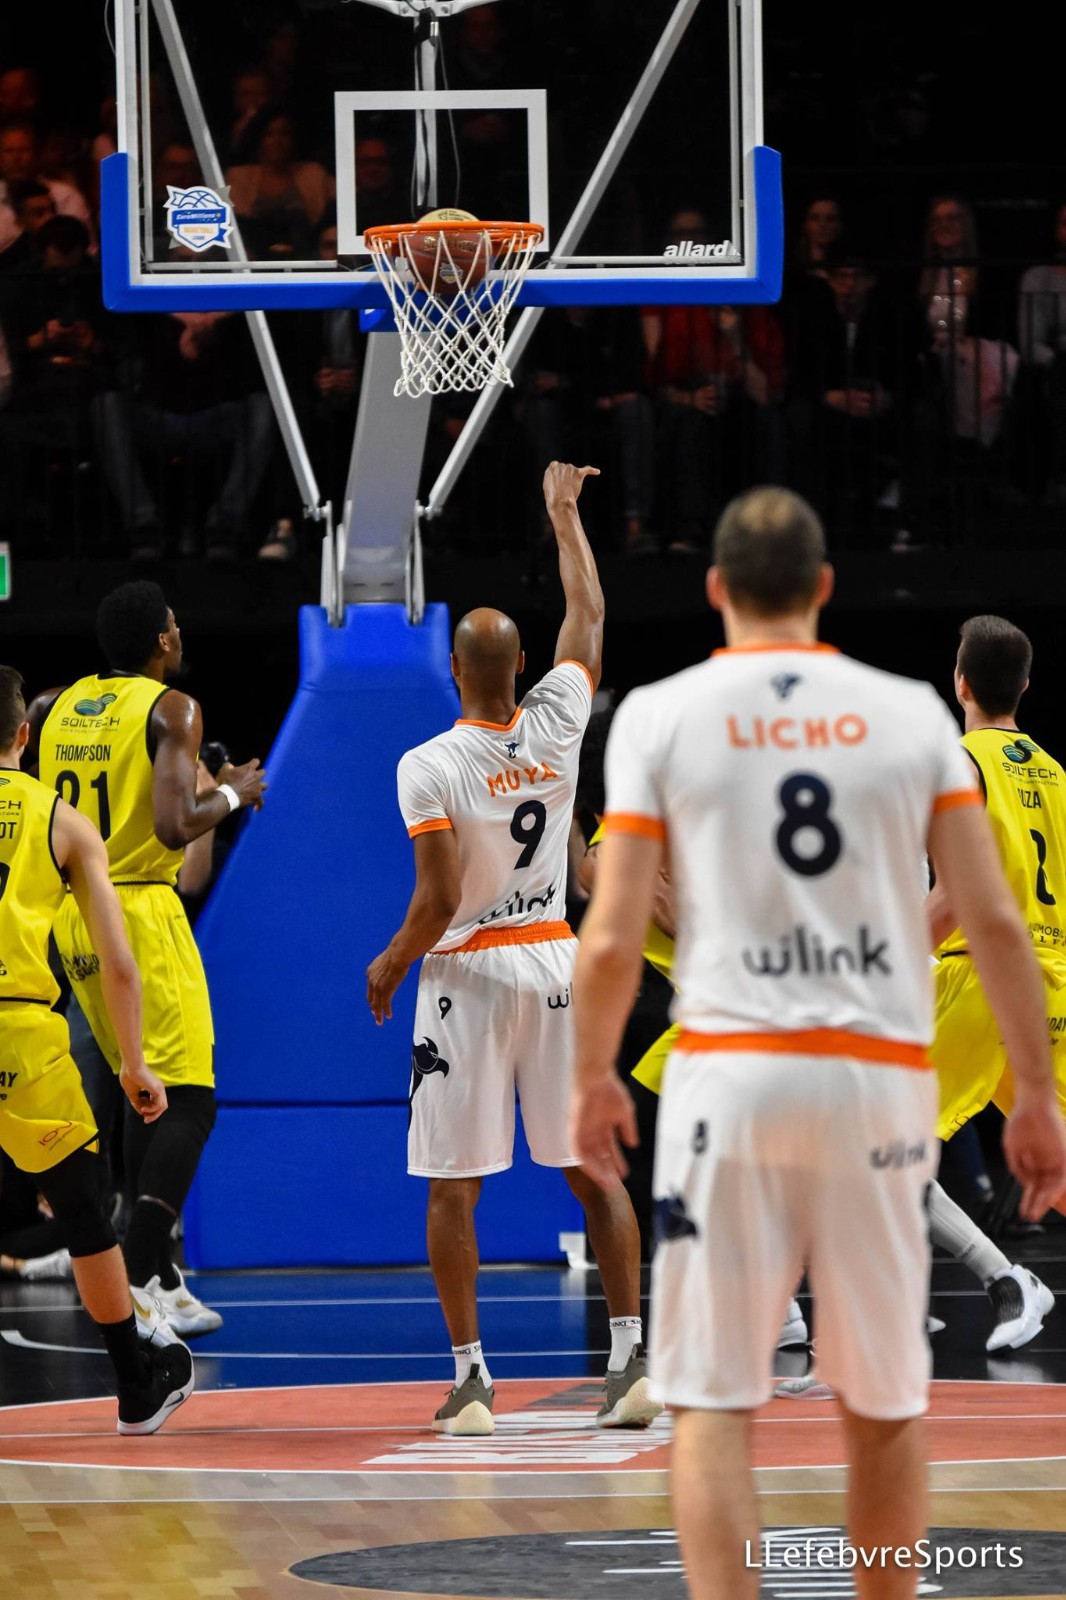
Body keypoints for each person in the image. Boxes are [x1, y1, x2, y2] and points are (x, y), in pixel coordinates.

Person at [569, 487, 1066, 1600]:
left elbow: (611, 926)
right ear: (825, 587)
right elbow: (991, 917)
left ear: (715, 589)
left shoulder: (659, 716)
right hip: (868, 1078)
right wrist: (1034, 1094)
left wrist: (592, 1073)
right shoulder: (909, 717)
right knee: (882, 1407)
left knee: (714, 1405)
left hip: (729, 1078)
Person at [367, 463, 656, 1438]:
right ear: (522, 663)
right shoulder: (561, 718)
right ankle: (629, 1364)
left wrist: (392, 960)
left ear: (454, 671)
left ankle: (473, 1381)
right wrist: (564, 515)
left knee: (455, 1185)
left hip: (470, 971)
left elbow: (440, 897)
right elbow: (590, 612)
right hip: (557, 959)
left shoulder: (428, 763)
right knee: (594, 1170)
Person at [31, 582, 267, 1337]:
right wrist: (234, 794)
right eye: (175, 624)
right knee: (192, 1100)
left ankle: (160, 1275)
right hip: (136, 907)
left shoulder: (56, 707)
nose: (180, 632)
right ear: (162, 640)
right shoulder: (174, 710)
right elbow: (173, 825)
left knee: (143, 1088)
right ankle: (136, 1272)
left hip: (72, 915)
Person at [0, 664, 194, 1434]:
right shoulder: (63, 822)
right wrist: (134, 1062)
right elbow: (117, 962)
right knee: (83, 1211)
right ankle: (136, 1389)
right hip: (21, 1034)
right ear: (24, 735)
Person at [926, 615, 1066, 1351]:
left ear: (960, 684)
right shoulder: (1056, 772)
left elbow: (955, 896)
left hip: (981, 979)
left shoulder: (959, 763)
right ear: (1026, 687)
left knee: (879, 1150)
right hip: (1054, 981)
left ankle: (1002, 1281)